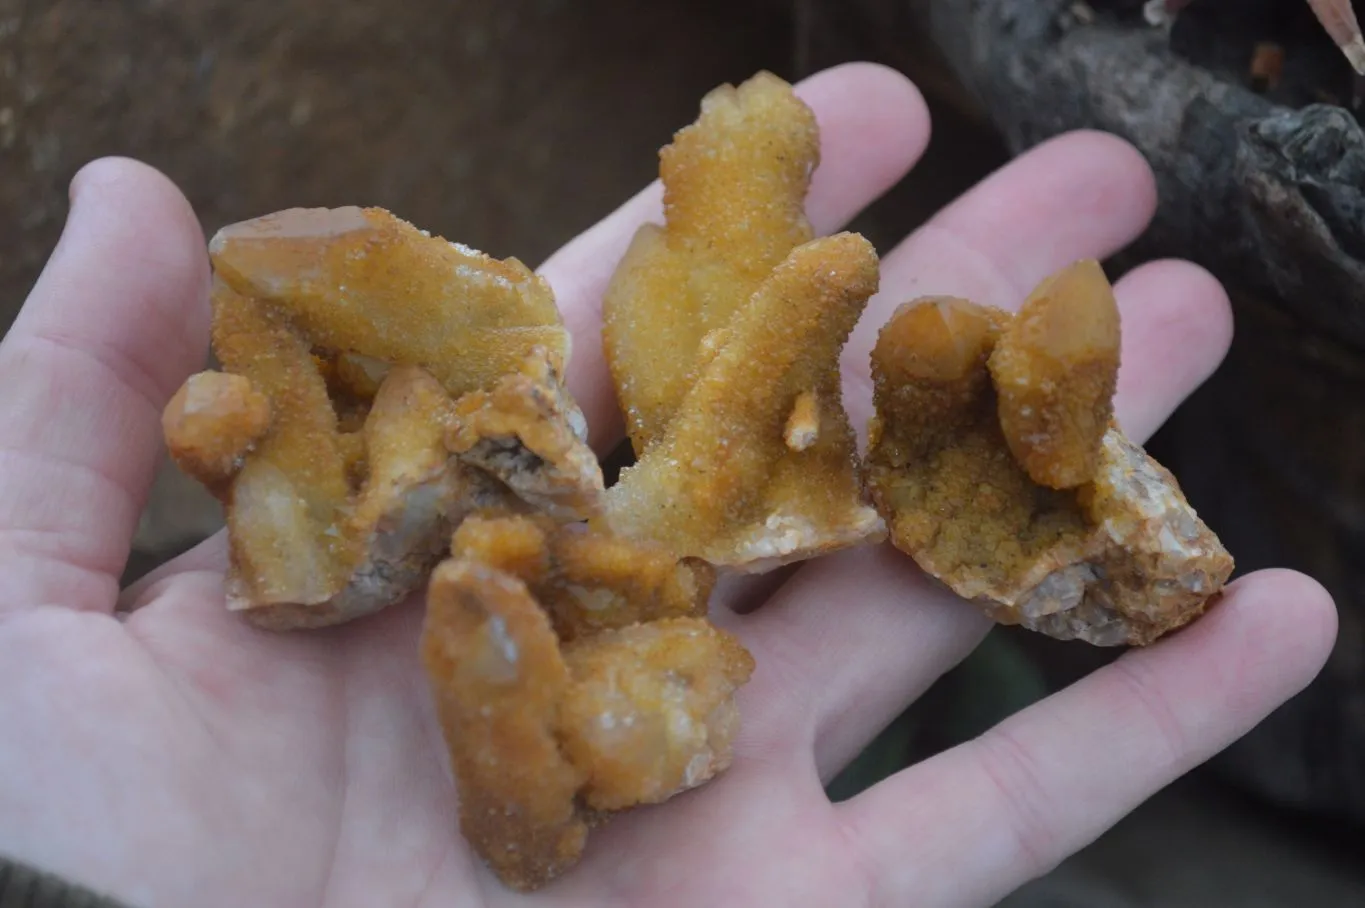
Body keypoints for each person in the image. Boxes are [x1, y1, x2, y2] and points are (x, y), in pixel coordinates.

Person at [0, 62, 1337, 908]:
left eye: (722, 147)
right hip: (643, 523)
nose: (695, 145)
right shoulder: (646, 315)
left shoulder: (692, 305)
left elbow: (815, 335)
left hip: (708, 509)